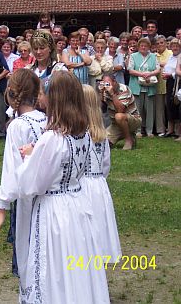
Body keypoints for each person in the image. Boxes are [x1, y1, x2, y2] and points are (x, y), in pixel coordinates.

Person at [0, 70, 110, 304]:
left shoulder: (53, 137)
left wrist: (26, 162)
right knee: (75, 263)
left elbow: (33, 182)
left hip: (54, 209)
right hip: (78, 205)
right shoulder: (81, 134)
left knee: (52, 265)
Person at [0, 68, 47, 276]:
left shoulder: (17, 126)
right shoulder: (45, 119)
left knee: (27, 248)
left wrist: (2, 203)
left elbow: (12, 169)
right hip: (47, 193)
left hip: (26, 196)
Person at [81, 85, 121, 258]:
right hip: (99, 184)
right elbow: (106, 164)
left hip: (83, 184)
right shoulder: (102, 135)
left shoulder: (80, 134)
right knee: (99, 220)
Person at [128, 37, 160, 137]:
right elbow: (130, 70)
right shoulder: (133, 56)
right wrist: (142, 75)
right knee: (137, 109)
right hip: (136, 85)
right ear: (138, 46)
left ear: (149, 47)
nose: (143, 47)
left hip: (150, 85)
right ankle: (137, 130)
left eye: (145, 46)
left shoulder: (153, 56)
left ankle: (149, 131)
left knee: (150, 109)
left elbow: (158, 69)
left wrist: (149, 74)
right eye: (141, 45)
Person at [99, 73, 141, 150]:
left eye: (107, 83)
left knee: (119, 116)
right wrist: (101, 93)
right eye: (104, 83)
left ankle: (129, 140)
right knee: (102, 143)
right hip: (116, 124)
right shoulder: (105, 91)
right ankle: (130, 135)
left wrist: (112, 94)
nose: (106, 86)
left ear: (114, 82)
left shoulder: (124, 89)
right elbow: (102, 109)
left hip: (133, 120)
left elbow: (120, 110)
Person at [162, 38, 181, 137]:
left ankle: (178, 131)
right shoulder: (170, 57)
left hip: (177, 82)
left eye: (177, 46)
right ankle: (170, 129)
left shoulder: (180, 57)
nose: (175, 48)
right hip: (169, 83)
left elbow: (178, 71)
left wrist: (171, 75)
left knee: (176, 104)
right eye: (173, 46)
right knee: (169, 104)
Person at [155, 35, 172, 136]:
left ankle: (171, 129)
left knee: (170, 108)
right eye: (157, 43)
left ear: (166, 43)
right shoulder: (153, 55)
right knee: (159, 109)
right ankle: (160, 130)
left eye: (162, 43)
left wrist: (162, 64)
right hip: (158, 85)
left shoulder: (170, 53)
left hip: (168, 84)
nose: (160, 45)